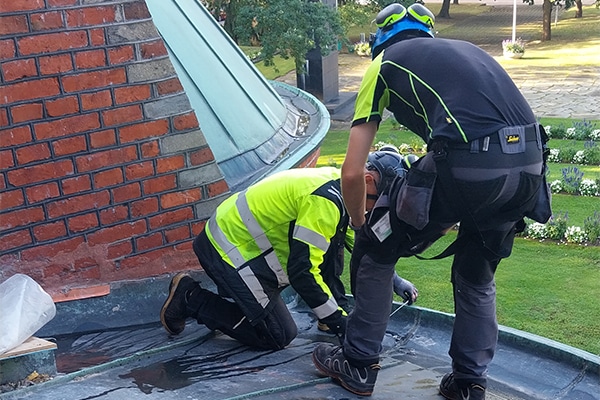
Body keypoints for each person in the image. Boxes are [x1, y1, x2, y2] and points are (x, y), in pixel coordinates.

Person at [311, 3, 551, 399]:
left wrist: (358, 223)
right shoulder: (467, 51)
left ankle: (357, 363)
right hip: (529, 168)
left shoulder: (384, 64)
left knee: (374, 248)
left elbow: (352, 173)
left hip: (469, 164)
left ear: (380, 41)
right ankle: (468, 384)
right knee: (476, 274)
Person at [160, 160, 419, 351]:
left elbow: (363, 247)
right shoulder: (325, 202)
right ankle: (190, 298)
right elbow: (302, 272)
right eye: (379, 202)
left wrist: (394, 280)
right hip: (228, 249)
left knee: (334, 245)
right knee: (277, 335)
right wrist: (340, 323)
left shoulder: (343, 186)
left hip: (244, 245)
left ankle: (327, 314)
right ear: (369, 181)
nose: (376, 210)